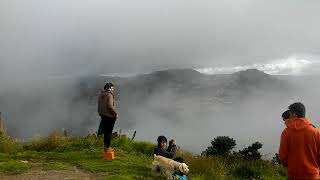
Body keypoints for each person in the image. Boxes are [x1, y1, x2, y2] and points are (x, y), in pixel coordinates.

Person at [279, 102, 320, 180]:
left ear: (294, 115)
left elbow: (283, 157)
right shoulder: (317, 132)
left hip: (293, 176)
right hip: (313, 176)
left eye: (290, 114)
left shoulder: (286, 133)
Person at [97, 83, 118, 152]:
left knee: (106, 132)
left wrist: (100, 113)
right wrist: (115, 114)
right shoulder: (109, 95)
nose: (113, 89)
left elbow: (99, 105)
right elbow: (110, 106)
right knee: (109, 132)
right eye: (112, 88)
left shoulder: (101, 95)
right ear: (109, 88)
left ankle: (105, 147)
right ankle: (108, 147)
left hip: (103, 115)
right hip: (110, 116)